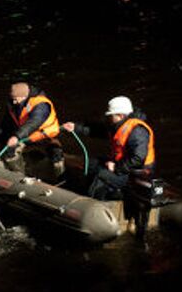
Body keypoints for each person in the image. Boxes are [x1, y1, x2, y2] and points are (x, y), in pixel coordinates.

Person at [62, 95, 156, 239]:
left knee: (102, 176)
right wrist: (76, 127)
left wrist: (116, 167)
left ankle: (90, 208)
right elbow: (97, 130)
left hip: (136, 173)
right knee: (93, 164)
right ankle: (92, 196)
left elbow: (138, 158)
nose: (108, 118)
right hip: (123, 166)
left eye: (111, 115)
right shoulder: (118, 124)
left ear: (120, 115)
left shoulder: (137, 131)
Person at [0, 82, 64, 176]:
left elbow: (33, 123)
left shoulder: (41, 105)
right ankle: (19, 177)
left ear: (24, 96)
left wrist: (16, 136)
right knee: (10, 152)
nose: (14, 102)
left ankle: (60, 177)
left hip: (44, 135)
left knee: (56, 154)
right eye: (13, 99)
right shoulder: (13, 104)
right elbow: (6, 123)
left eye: (16, 99)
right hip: (25, 135)